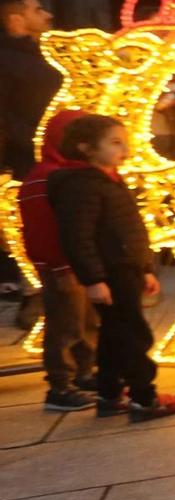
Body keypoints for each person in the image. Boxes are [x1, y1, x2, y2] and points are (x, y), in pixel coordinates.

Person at [47, 113, 175, 421]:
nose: (124, 150)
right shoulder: (80, 186)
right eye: (115, 143)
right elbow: (77, 236)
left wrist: (144, 268)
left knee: (113, 333)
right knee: (132, 333)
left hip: (126, 268)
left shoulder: (110, 180)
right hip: (111, 272)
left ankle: (110, 393)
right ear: (86, 148)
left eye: (125, 142)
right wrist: (93, 279)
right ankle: (144, 397)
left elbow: (128, 229)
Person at [18, 110, 98, 410]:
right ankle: (60, 386)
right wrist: (58, 265)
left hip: (81, 265)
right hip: (61, 267)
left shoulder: (74, 174)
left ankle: (84, 374)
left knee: (86, 322)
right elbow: (42, 229)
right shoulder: (46, 177)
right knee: (65, 325)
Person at [0, 0, 57, 177]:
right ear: (16, 20)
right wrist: (37, 140)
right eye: (38, 11)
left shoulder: (48, 56)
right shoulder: (6, 61)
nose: (48, 15)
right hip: (23, 164)